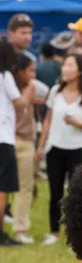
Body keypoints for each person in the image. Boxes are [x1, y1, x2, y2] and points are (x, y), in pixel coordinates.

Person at [36, 53, 82, 246]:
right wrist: (41, 146)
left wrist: (78, 124)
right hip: (55, 147)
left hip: (78, 149)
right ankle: (54, 232)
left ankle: (75, 236)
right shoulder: (55, 91)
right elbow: (47, 121)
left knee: (76, 194)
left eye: (70, 65)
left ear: (80, 70)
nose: (65, 69)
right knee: (55, 192)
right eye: (64, 65)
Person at [0, 39, 34, 245]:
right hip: (4, 139)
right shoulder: (5, 77)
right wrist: (29, 90)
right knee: (2, 189)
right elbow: (19, 104)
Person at [11, 55, 37, 244]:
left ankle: (21, 228)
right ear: (20, 71)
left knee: (25, 188)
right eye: (30, 70)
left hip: (27, 141)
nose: (33, 75)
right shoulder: (9, 89)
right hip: (10, 141)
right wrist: (31, 88)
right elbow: (22, 103)